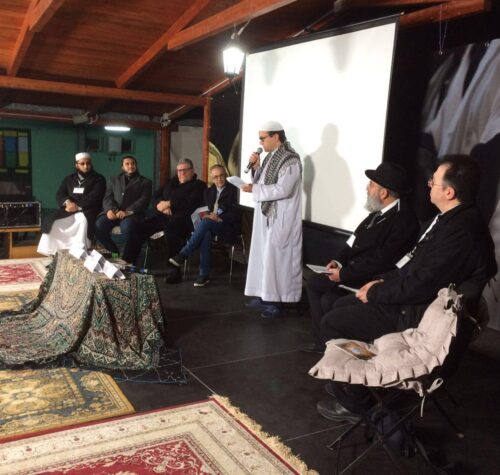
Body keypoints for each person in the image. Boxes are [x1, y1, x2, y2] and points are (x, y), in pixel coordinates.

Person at [316, 155, 497, 422]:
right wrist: (379, 282)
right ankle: (351, 382)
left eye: (433, 181)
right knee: (340, 305)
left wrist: (375, 292)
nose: (428, 184)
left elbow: (421, 284)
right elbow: (411, 265)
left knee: (334, 322)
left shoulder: (461, 231)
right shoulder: (450, 220)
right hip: (410, 301)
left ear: (449, 192)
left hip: (416, 315)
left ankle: (356, 403)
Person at [302, 162, 419, 354]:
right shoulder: (375, 214)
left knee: (326, 295)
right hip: (352, 271)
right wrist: (338, 262)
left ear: (384, 193)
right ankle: (324, 342)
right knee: (316, 283)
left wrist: (344, 274)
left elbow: (382, 260)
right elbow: (351, 242)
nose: (367, 188)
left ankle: (328, 343)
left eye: (372, 184)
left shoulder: (403, 220)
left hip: (369, 278)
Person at [241, 120, 302, 318]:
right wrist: (256, 168)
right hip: (266, 215)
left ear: (276, 136)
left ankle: (277, 301)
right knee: (263, 256)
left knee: (277, 260)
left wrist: (255, 189)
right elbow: (261, 181)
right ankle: (263, 294)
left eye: (263, 138)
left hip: (281, 217)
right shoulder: (269, 158)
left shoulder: (290, 159)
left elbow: (284, 189)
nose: (260, 142)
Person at [169, 164, 241, 287]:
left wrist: (219, 218)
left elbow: (237, 213)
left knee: (206, 223)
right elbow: (202, 209)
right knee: (206, 233)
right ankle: (204, 275)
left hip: (228, 228)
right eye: (216, 177)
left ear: (226, 175)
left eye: (222, 176)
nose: (219, 179)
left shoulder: (235, 191)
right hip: (209, 226)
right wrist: (204, 215)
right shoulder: (208, 192)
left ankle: (184, 254)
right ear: (212, 178)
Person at [138, 158, 205, 283]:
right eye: (179, 170)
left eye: (185, 170)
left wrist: (169, 204)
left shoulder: (199, 185)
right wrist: (161, 205)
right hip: (163, 215)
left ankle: (174, 270)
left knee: (171, 230)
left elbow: (190, 203)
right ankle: (128, 263)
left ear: (192, 171)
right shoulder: (171, 182)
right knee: (139, 226)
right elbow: (155, 196)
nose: (182, 173)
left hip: (184, 219)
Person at [37, 152, 106, 256]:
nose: (86, 166)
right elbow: (60, 194)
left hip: (88, 210)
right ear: (76, 165)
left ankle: (79, 254)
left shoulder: (99, 179)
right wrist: (67, 202)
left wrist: (77, 206)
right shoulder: (69, 179)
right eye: (82, 164)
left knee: (81, 221)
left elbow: (95, 196)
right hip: (68, 209)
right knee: (52, 221)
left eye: (88, 163)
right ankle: (56, 254)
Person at [94, 155, 152, 264]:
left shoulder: (145, 182)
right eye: (127, 164)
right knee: (99, 226)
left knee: (128, 228)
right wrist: (110, 210)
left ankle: (127, 260)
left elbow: (144, 200)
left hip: (132, 215)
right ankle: (114, 252)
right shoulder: (113, 179)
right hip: (114, 213)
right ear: (122, 167)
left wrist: (127, 211)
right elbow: (107, 197)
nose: (131, 166)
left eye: (133, 163)